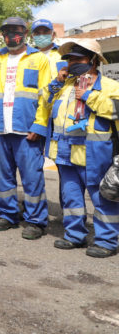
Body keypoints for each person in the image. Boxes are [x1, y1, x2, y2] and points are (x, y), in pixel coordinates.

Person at [0, 17, 51, 240]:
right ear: (2, 35)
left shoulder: (39, 58)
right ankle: (8, 215)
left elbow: (46, 95)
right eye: (7, 31)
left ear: (25, 32)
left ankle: (36, 221)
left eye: (16, 30)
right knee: (3, 178)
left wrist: (39, 125)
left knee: (32, 178)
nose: (11, 34)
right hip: (1, 130)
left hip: (27, 131)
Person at [47, 40, 119, 257]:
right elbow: (47, 107)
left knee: (101, 199)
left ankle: (107, 241)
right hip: (66, 153)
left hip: (95, 154)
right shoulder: (66, 86)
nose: (73, 63)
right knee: (71, 198)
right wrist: (55, 85)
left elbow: (116, 111)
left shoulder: (110, 86)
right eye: (70, 60)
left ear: (94, 60)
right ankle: (74, 236)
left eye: (79, 59)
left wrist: (88, 96)